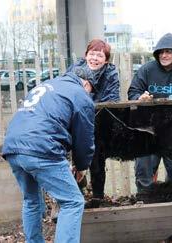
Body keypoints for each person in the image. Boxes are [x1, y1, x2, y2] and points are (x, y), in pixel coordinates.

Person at [2, 66, 95, 243]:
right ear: (86, 84)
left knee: (31, 200)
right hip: (41, 149)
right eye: (91, 91)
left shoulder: (48, 85)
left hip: (13, 147)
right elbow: (84, 138)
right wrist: (82, 166)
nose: (90, 95)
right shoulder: (80, 94)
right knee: (72, 202)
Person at [127, 33, 172, 198]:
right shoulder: (147, 70)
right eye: (161, 52)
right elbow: (133, 92)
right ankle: (145, 200)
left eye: (169, 52)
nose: (164, 55)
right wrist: (140, 98)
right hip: (148, 128)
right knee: (144, 170)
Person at [68, 39, 120, 204]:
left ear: (106, 60)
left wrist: (90, 105)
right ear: (86, 55)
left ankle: (97, 197)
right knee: (73, 160)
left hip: (98, 123)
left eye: (100, 55)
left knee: (97, 159)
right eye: (92, 54)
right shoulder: (75, 70)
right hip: (75, 121)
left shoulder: (110, 74)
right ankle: (76, 196)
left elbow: (113, 99)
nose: (95, 58)